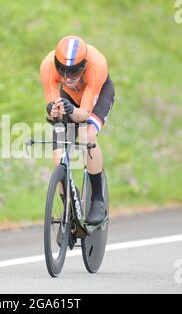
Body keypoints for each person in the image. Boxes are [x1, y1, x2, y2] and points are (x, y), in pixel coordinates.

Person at [39, 35, 115, 225]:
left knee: (86, 135)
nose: (66, 77)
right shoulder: (47, 66)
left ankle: (97, 199)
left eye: (73, 72)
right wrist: (53, 110)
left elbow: (84, 113)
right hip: (68, 98)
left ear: (84, 65)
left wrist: (72, 110)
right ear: (55, 63)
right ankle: (68, 212)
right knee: (58, 158)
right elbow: (52, 109)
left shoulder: (97, 65)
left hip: (96, 95)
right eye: (62, 70)